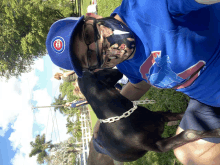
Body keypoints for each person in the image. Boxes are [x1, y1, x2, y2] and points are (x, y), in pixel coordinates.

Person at [46, 0, 220, 164]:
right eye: (90, 56)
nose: (98, 47)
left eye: (89, 35)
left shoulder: (146, 7)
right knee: (188, 152)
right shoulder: (126, 65)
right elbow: (138, 86)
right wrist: (105, 119)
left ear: (93, 18)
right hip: (209, 101)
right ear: (95, 68)